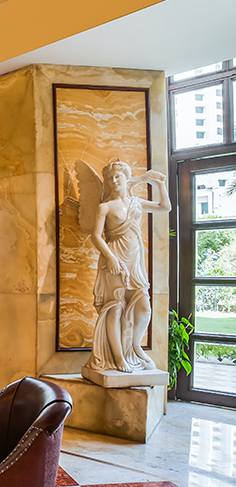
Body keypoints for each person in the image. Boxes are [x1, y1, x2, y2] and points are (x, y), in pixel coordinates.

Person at [86, 160, 170, 373]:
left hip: (135, 260)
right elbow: (96, 236)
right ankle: (118, 358)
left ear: (126, 178)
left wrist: (160, 184)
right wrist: (111, 258)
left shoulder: (136, 203)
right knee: (115, 308)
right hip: (114, 259)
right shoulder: (105, 207)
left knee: (144, 307)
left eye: (118, 177)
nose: (114, 181)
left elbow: (165, 207)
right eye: (110, 178)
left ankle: (134, 346)